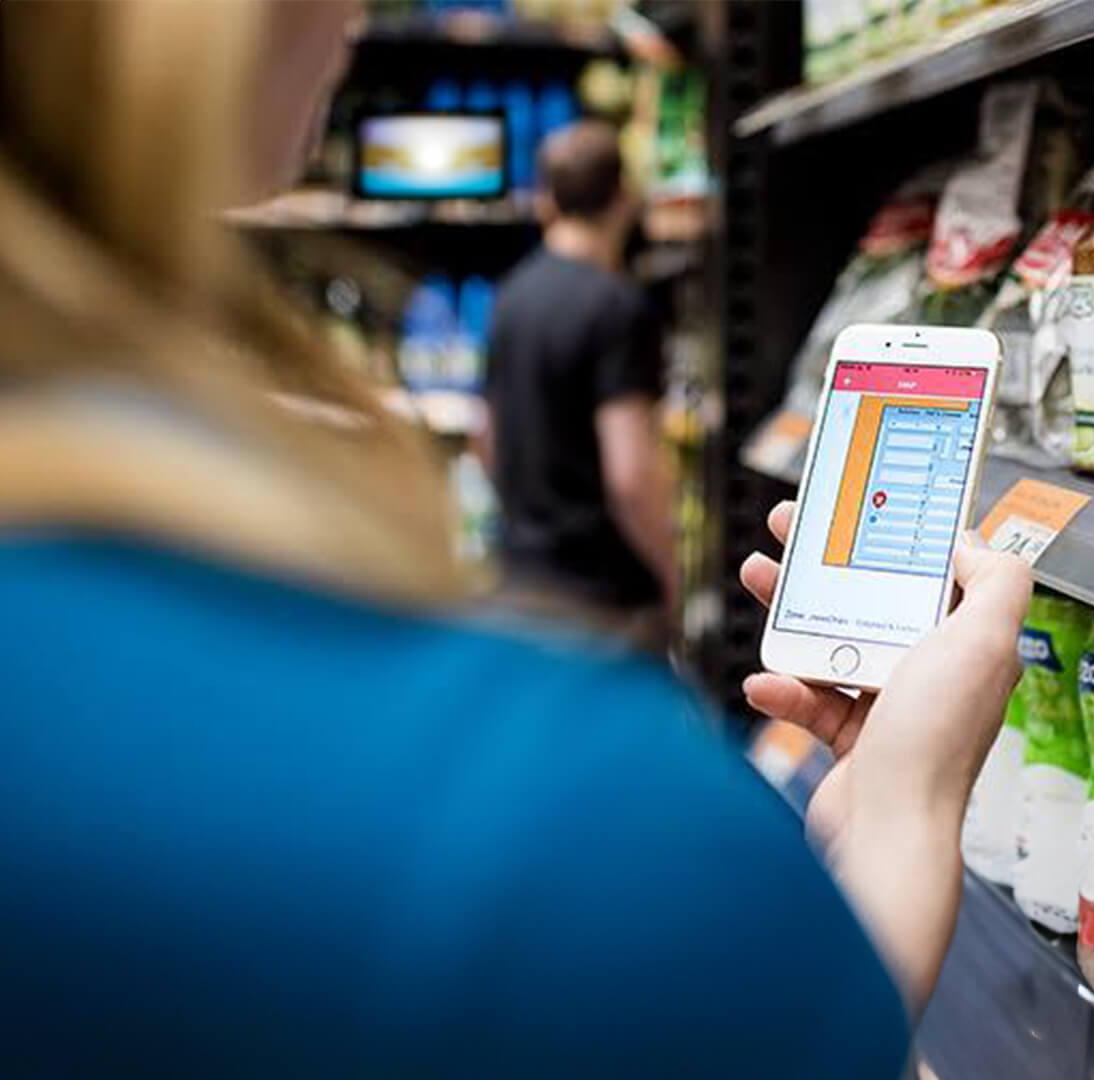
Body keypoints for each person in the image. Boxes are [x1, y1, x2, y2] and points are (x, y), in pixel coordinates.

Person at [0, 2, 1028, 1075]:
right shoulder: (577, 837)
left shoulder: (522, 293)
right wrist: (903, 822)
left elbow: (488, 436)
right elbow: (632, 467)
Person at [480, 119, 677, 649]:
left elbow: (489, 442)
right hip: (601, 602)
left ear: (546, 200)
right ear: (624, 198)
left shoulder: (510, 297)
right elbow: (630, 475)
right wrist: (672, 570)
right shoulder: (619, 308)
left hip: (518, 585)